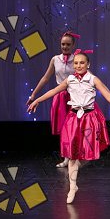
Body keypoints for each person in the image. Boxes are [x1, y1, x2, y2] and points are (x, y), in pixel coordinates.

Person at [28, 50, 110, 203]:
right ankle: (72, 187)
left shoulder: (93, 79)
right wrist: (37, 100)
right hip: (73, 119)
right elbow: (53, 91)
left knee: (88, 155)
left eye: (82, 63)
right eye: (76, 63)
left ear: (88, 64)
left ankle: (74, 172)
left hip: (89, 119)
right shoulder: (69, 79)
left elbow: (108, 95)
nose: (78, 65)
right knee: (72, 155)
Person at [27, 31, 81, 168]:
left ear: (73, 45)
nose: (65, 47)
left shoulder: (77, 59)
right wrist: (33, 95)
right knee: (64, 129)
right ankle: (67, 158)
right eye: (63, 44)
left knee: (75, 128)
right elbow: (45, 78)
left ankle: (75, 157)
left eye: (68, 44)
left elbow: (87, 76)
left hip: (75, 96)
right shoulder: (55, 59)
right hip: (60, 97)